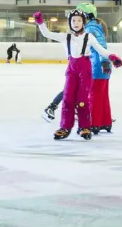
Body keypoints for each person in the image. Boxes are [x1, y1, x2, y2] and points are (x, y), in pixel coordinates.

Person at [35, 9, 108, 140]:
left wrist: (111, 58)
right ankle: (65, 127)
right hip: (72, 70)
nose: (76, 23)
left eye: (79, 20)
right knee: (67, 98)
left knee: (82, 100)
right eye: (73, 20)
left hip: (85, 70)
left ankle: (84, 126)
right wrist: (40, 22)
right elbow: (47, 34)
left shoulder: (88, 37)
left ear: (83, 22)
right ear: (70, 22)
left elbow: (101, 49)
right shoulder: (65, 37)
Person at [79, 3, 122, 134]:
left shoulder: (91, 28)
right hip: (101, 66)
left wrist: (104, 61)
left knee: (95, 96)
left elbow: (101, 45)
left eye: (80, 16)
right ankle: (105, 122)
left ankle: (94, 123)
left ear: (86, 16)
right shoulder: (93, 27)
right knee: (102, 96)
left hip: (98, 67)